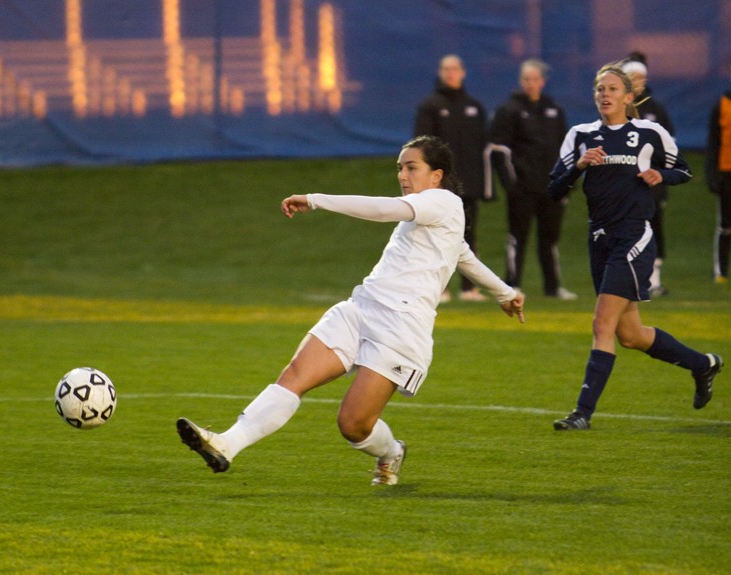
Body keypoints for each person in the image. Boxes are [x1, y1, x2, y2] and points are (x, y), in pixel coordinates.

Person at [177, 136, 525, 484]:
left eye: (411, 167)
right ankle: (225, 443)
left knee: (353, 424)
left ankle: (391, 452)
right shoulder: (434, 216)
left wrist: (316, 200)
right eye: (399, 168)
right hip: (360, 308)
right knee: (294, 377)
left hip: (401, 329)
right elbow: (464, 256)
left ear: (436, 175)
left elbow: (383, 209)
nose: (403, 175)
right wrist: (505, 293)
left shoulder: (443, 201)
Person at [548, 62, 723, 431]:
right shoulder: (580, 134)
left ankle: (582, 413)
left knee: (602, 323)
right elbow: (553, 189)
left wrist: (662, 174)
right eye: (600, 89)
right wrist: (579, 166)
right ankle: (703, 364)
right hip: (599, 237)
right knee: (631, 335)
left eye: (612, 89)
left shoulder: (649, 132)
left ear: (628, 97)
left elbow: (685, 170)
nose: (605, 95)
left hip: (633, 236)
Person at [490, 59, 577, 300]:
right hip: (523, 188)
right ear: (521, 81)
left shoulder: (554, 110)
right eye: (526, 79)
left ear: (543, 81)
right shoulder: (508, 110)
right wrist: (511, 184)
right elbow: (499, 150)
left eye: (535, 79)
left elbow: (566, 149)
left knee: (550, 239)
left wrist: (566, 183)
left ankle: (553, 287)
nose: (531, 83)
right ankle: (512, 284)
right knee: (517, 237)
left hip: (551, 188)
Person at [414, 55, 490, 303]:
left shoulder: (474, 107)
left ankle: (469, 288)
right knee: (436, 236)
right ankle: (439, 288)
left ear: (463, 72)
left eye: (455, 68)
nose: (451, 73)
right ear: (440, 72)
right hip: (439, 186)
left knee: (467, 235)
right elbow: (421, 147)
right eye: (446, 69)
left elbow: (482, 148)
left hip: (467, 185)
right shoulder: (430, 105)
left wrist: (481, 184)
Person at [622, 53, 675, 296]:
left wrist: (664, 175)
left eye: (641, 77)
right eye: (634, 77)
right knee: (627, 229)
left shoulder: (655, 108)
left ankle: (654, 280)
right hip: (626, 182)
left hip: (652, 182)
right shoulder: (619, 106)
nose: (639, 81)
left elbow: (669, 145)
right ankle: (628, 278)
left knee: (654, 228)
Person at [706, 81, 731, 283]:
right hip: (726, 173)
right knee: (725, 225)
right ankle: (721, 272)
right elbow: (713, 142)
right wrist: (711, 174)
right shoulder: (722, 105)